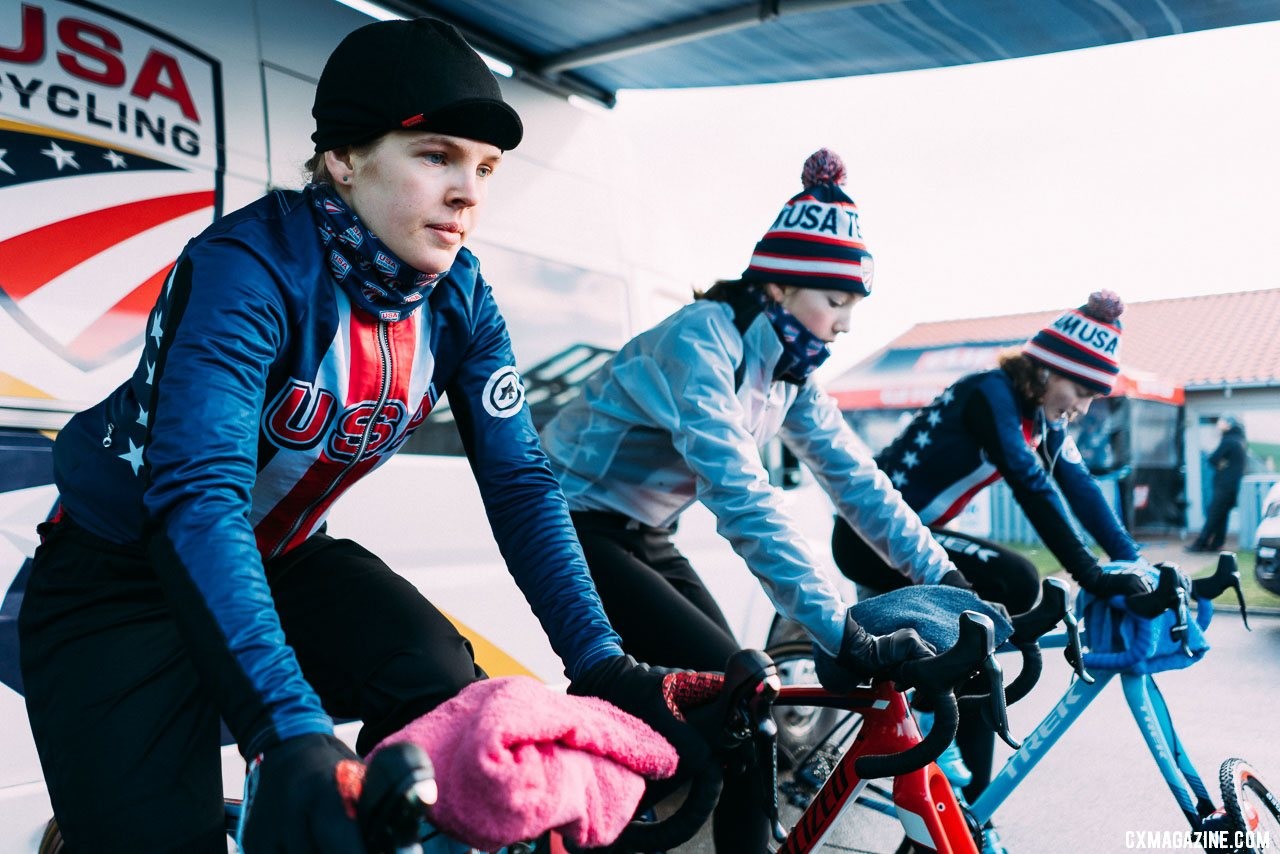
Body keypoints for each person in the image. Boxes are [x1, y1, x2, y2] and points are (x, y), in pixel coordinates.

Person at [18, 19, 699, 853]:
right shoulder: (250, 265)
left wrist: (602, 662)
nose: (469, 193)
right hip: (118, 578)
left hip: (286, 558)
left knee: (440, 680)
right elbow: (200, 496)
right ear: (344, 158)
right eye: (437, 156)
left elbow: (521, 483)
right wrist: (290, 729)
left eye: (484, 168)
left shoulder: (459, 295)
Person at [540, 149, 967, 851]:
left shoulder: (786, 373)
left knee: (726, 691)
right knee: (740, 694)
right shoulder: (702, 337)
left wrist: (946, 576)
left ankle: (594, 805)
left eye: (854, 306)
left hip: (640, 531)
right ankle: (570, 805)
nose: (847, 323)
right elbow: (739, 493)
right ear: (777, 286)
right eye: (836, 301)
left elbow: (858, 482)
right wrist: (840, 630)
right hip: (567, 522)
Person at [831, 290, 1152, 839]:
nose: (1083, 406)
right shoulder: (991, 394)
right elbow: (1031, 486)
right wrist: (1091, 575)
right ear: (1048, 371)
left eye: (1095, 397)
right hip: (869, 537)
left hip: (918, 538)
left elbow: (1081, 489)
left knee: (994, 612)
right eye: (1081, 390)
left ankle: (956, 763)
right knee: (1015, 579)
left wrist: (1135, 563)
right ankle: (958, 763)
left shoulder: (1043, 417)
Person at [1188, 416, 1248, 552]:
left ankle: (1200, 544)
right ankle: (1216, 544)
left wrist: (1221, 465)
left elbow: (1213, 459)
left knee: (1214, 514)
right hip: (1233, 485)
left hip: (1224, 485)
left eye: (1221, 422)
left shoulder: (1228, 441)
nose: (1218, 424)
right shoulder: (1239, 440)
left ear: (1228, 425)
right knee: (1222, 515)